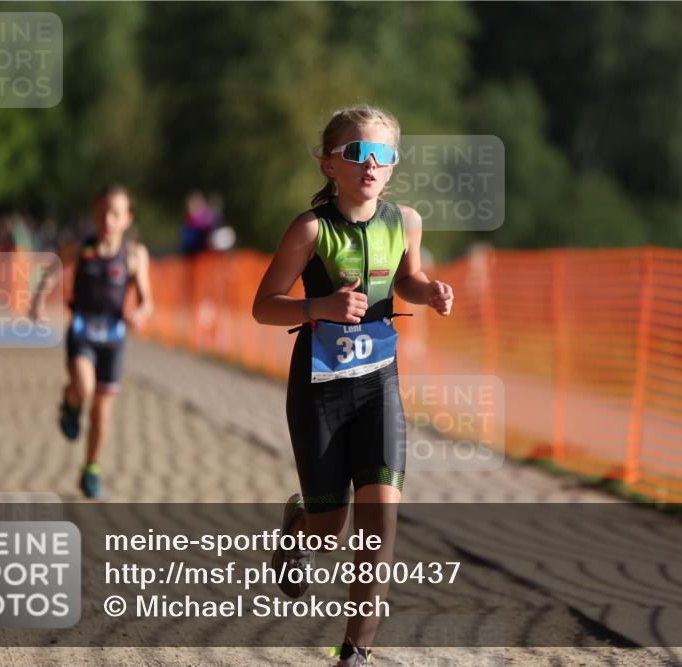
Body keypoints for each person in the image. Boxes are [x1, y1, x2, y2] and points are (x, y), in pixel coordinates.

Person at [253, 105, 454, 666]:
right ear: (329, 164)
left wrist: (430, 290)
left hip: (378, 386)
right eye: (356, 153)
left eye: (382, 155)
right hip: (319, 387)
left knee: (380, 524)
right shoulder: (310, 229)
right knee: (329, 530)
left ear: (392, 166)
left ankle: (354, 653)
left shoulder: (405, 222)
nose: (370, 164)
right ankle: (300, 521)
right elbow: (263, 306)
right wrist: (321, 306)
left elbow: (407, 280)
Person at [30, 185, 153, 499]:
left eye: (115, 213)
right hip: (82, 331)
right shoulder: (81, 248)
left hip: (113, 339)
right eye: (101, 213)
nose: (107, 219)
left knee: (101, 411)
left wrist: (140, 313)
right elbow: (53, 268)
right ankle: (70, 404)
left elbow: (146, 300)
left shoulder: (135, 255)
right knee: (83, 386)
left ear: (127, 218)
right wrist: (38, 301)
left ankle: (91, 468)